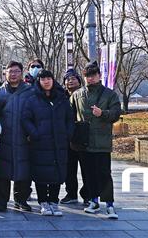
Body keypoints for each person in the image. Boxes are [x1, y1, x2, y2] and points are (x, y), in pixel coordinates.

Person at [70, 61, 122, 219]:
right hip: (83, 141)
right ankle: (93, 201)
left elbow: (116, 113)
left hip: (101, 142)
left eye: (93, 76)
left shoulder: (109, 94)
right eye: (87, 76)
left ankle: (109, 204)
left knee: (104, 174)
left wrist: (103, 114)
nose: (90, 79)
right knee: (88, 173)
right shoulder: (77, 94)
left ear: (99, 76)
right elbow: (70, 116)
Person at [21, 70, 74, 217]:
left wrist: (67, 133)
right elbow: (25, 119)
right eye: (42, 79)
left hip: (59, 141)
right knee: (41, 172)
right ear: (38, 81)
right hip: (40, 142)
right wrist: (35, 133)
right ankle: (43, 202)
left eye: (48, 78)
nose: (46, 81)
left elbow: (70, 118)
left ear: (53, 80)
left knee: (57, 170)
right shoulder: (32, 99)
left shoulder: (62, 99)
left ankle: (54, 202)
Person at [0, 61, 33, 213]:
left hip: (24, 137)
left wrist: (32, 132)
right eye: (10, 71)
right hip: (3, 137)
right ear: (5, 73)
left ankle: (21, 199)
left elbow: (35, 114)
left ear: (22, 73)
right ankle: (2, 200)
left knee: (23, 168)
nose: (13, 74)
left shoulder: (30, 92)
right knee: (2, 169)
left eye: (17, 71)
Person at [60, 68, 90, 205]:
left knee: (86, 167)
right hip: (66, 136)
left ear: (79, 81)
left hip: (82, 135)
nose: (70, 81)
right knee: (69, 167)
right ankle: (71, 193)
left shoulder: (86, 95)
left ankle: (87, 195)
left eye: (73, 79)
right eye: (67, 79)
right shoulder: (60, 96)